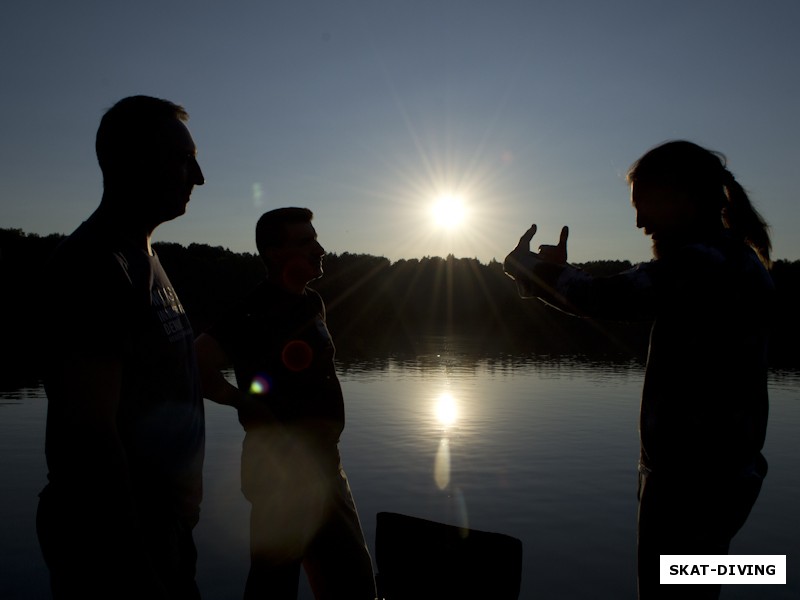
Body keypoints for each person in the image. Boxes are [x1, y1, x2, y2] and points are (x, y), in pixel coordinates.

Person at [503, 140, 774, 600]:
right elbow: (621, 290)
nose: (638, 222)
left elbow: (605, 298)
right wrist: (557, 276)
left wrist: (524, 267)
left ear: (682, 197)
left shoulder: (706, 263)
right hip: (721, 478)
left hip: (692, 487)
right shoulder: (732, 260)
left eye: (644, 205)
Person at [37, 95, 207, 600]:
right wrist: (136, 569)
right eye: (183, 159)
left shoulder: (144, 257)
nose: (197, 176)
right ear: (134, 161)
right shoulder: (91, 266)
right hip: (119, 545)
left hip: (164, 530)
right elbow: (87, 438)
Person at [195, 207, 377, 600]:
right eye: (304, 242)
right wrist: (239, 400)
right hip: (280, 469)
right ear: (274, 254)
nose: (319, 249)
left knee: (352, 582)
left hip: (325, 464)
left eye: (315, 238)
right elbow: (196, 362)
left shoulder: (312, 303)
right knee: (275, 586)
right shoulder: (252, 310)